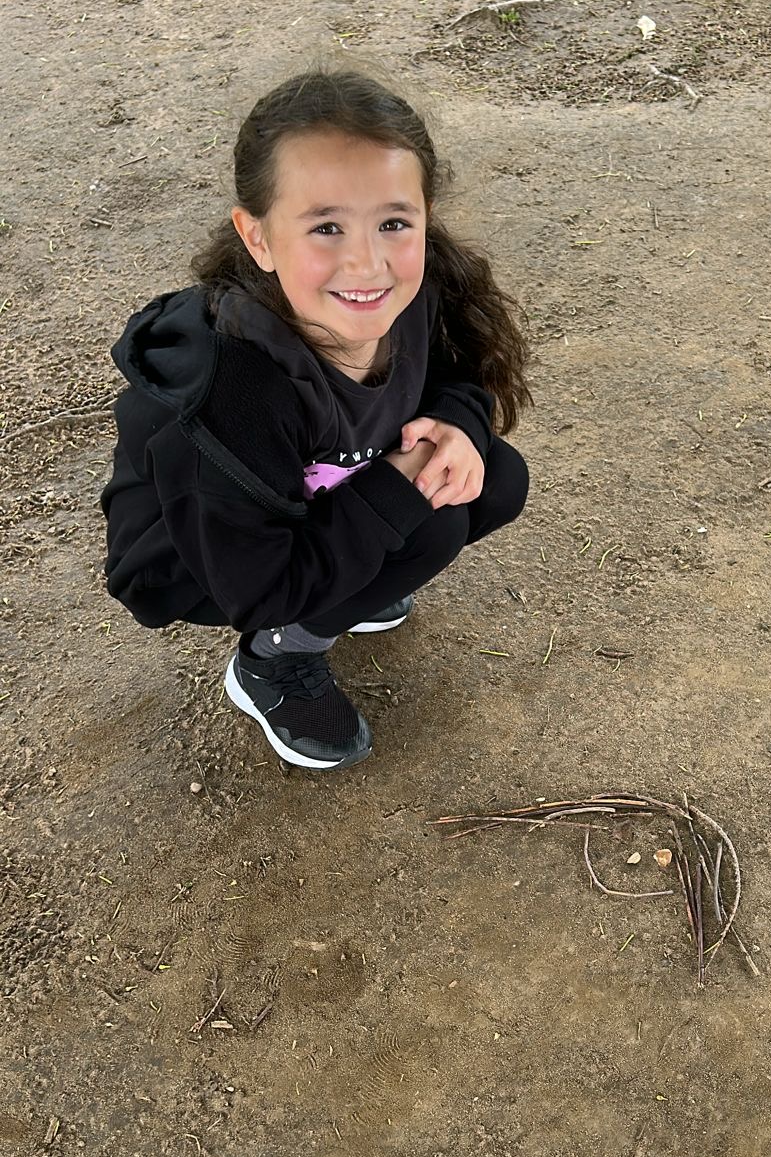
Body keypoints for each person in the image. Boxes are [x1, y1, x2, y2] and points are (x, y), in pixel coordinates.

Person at [101, 69, 531, 771]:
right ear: (259, 238)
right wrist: (395, 491)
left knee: (492, 479)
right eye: (326, 226)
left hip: (324, 488)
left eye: (394, 222)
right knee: (430, 519)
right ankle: (274, 662)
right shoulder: (234, 392)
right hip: (202, 557)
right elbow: (259, 587)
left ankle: (356, 584)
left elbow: (452, 376)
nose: (368, 261)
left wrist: (458, 423)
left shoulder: (404, 296)